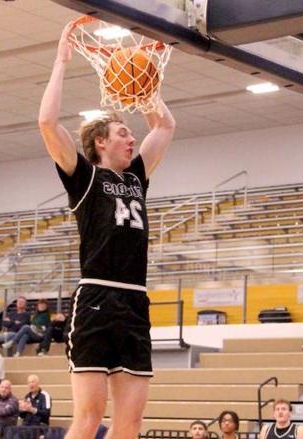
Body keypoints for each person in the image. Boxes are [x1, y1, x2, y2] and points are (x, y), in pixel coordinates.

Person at [38, 19, 176, 439]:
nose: (131, 138)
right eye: (122, 132)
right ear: (100, 142)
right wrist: (61, 62)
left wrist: (143, 85)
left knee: (130, 421)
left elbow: (165, 126)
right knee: (90, 417)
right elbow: (47, 122)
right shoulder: (83, 177)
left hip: (135, 301)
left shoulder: (137, 176)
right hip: (96, 296)